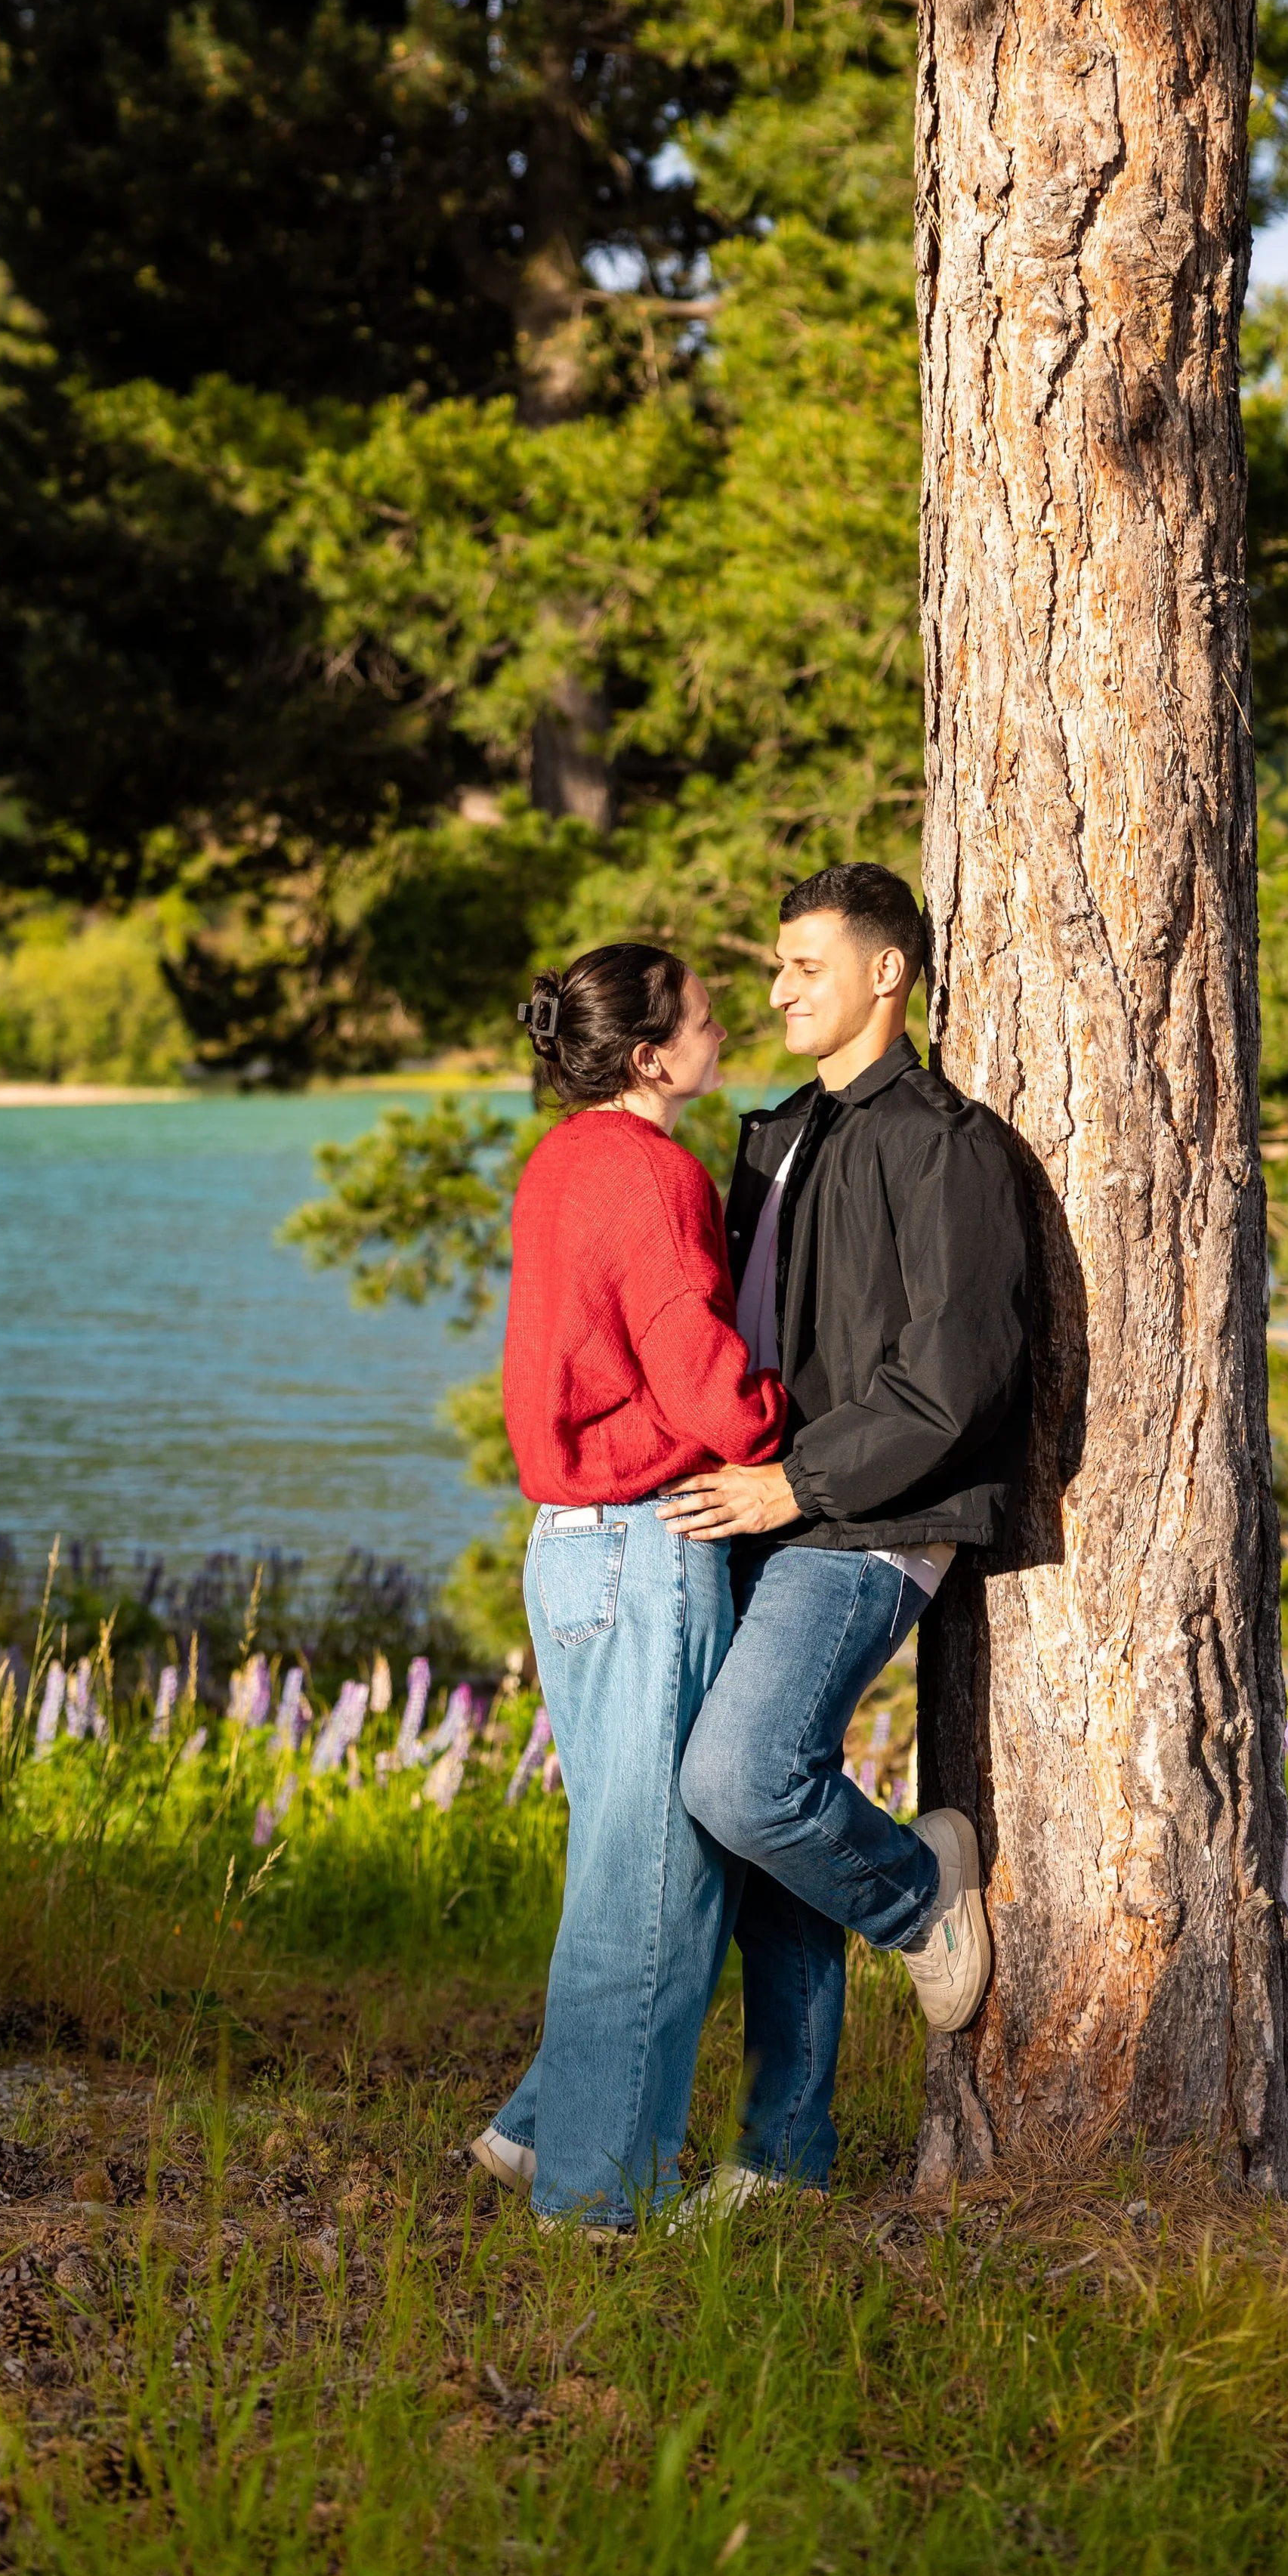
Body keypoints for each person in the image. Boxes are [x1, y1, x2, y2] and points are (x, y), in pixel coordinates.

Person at [662, 862, 1030, 2211]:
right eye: (771, 967)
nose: (775, 992)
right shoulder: (781, 1133)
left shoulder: (946, 1144)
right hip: (766, 1501)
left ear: (888, 971)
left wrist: (794, 1485)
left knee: (746, 1781)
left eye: (803, 964)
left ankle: (924, 1892)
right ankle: (784, 2152)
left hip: (869, 1518)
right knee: (767, 1845)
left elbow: (957, 1377)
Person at [471, 942, 787, 2229]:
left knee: (626, 1863)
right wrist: (793, 1429)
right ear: (650, 1055)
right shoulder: (654, 1172)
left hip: (570, 1544)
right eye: (706, 1019)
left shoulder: (560, 1161)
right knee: (653, 1881)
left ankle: (539, 2131)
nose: (727, 1029)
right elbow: (697, 1367)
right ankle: (599, 2206)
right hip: (646, 1538)